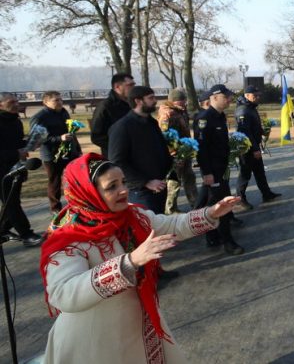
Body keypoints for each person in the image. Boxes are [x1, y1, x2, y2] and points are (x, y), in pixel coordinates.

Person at [39, 153, 241, 363]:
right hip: (94, 340)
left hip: (138, 324)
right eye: (112, 187)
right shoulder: (68, 237)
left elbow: (171, 226)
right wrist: (129, 262)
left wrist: (211, 213)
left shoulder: (131, 215)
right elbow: (62, 293)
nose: (124, 190)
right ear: (88, 193)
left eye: (123, 182)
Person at [108, 86, 172, 215]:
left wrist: (171, 161)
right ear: (138, 101)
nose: (155, 101)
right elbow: (117, 161)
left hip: (158, 186)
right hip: (140, 190)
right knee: (146, 229)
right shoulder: (123, 127)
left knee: (157, 226)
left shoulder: (152, 123)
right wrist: (145, 182)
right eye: (150, 98)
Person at [196, 84, 244, 255]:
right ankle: (228, 242)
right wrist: (207, 173)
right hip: (213, 171)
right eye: (226, 97)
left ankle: (211, 236)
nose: (230, 99)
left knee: (213, 203)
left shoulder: (220, 116)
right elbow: (201, 149)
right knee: (221, 205)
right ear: (215, 97)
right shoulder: (205, 118)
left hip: (221, 168)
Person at [0, 92, 43, 246]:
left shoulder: (16, 121)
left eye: (17, 101)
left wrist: (31, 143)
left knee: (12, 201)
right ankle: (26, 234)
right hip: (2, 171)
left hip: (16, 167)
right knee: (11, 203)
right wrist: (16, 152)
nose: (17, 104)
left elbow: (17, 143)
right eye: (12, 102)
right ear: (1, 105)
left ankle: (2, 229)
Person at [30, 91, 83, 214]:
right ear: (45, 102)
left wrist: (77, 149)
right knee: (55, 182)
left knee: (75, 178)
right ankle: (55, 208)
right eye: (56, 100)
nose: (59, 102)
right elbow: (38, 139)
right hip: (51, 155)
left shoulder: (64, 112)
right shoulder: (39, 117)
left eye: (60, 99)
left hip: (70, 152)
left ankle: (79, 203)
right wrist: (60, 138)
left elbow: (71, 132)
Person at [234, 85, 280, 208]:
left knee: (259, 172)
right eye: (255, 95)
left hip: (254, 145)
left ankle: (266, 194)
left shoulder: (251, 107)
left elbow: (254, 127)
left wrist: (263, 131)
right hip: (247, 148)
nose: (257, 97)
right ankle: (240, 198)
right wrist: (254, 149)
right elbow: (245, 132)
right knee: (245, 174)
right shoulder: (243, 110)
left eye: (258, 95)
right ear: (247, 96)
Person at [158, 88, 198, 214]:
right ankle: (170, 209)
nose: (184, 103)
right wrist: (174, 153)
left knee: (189, 177)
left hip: (185, 150)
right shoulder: (167, 114)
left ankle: (195, 203)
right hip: (175, 154)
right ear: (174, 101)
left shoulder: (180, 111)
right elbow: (165, 135)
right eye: (182, 101)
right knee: (174, 181)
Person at [90, 73, 135, 156]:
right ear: (117, 87)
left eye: (134, 85)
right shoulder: (105, 106)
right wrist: (120, 147)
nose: (133, 88)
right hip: (115, 158)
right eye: (130, 85)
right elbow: (96, 137)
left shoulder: (133, 104)